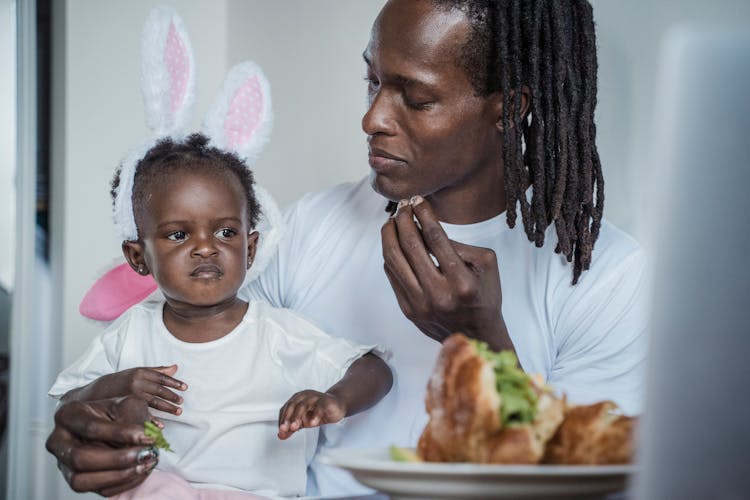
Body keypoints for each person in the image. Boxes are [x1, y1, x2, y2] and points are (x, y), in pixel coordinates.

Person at [46, 0, 648, 497]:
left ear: (507, 109)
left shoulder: (608, 279)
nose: (373, 118)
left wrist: (483, 341)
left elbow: (589, 482)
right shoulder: (310, 229)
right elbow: (195, 383)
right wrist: (91, 429)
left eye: (415, 98)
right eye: (373, 81)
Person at [47, 134, 392, 498]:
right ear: (138, 257)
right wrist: (118, 385)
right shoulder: (131, 332)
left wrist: (335, 399)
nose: (206, 247)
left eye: (226, 232)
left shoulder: (279, 334)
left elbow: (373, 370)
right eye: (178, 235)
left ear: (250, 248)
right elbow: (69, 402)